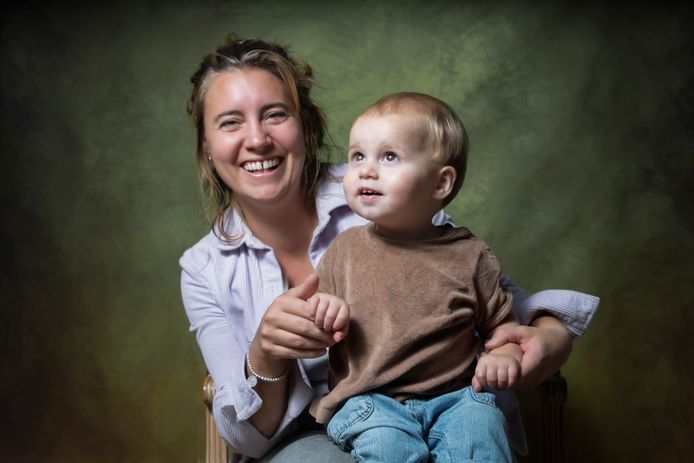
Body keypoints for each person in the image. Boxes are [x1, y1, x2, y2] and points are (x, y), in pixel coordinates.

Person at [179, 34, 600, 462]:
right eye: (230, 122)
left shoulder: (378, 188)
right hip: (310, 430)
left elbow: (481, 289)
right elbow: (250, 440)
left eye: (275, 115)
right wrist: (266, 354)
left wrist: (550, 337)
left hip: (442, 408)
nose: (257, 139)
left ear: (305, 127)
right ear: (207, 147)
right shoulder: (203, 268)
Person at [306, 92, 524, 462]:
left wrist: (505, 354)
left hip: (455, 398)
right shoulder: (344, 250)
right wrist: (322, 312)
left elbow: (503, 327)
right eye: (357, 155)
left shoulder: (471, 256)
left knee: (482, 427)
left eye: (389, 156)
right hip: (369, 402)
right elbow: (318, 324)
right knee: (392, 448)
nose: (366, 170)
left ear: (440, 184)